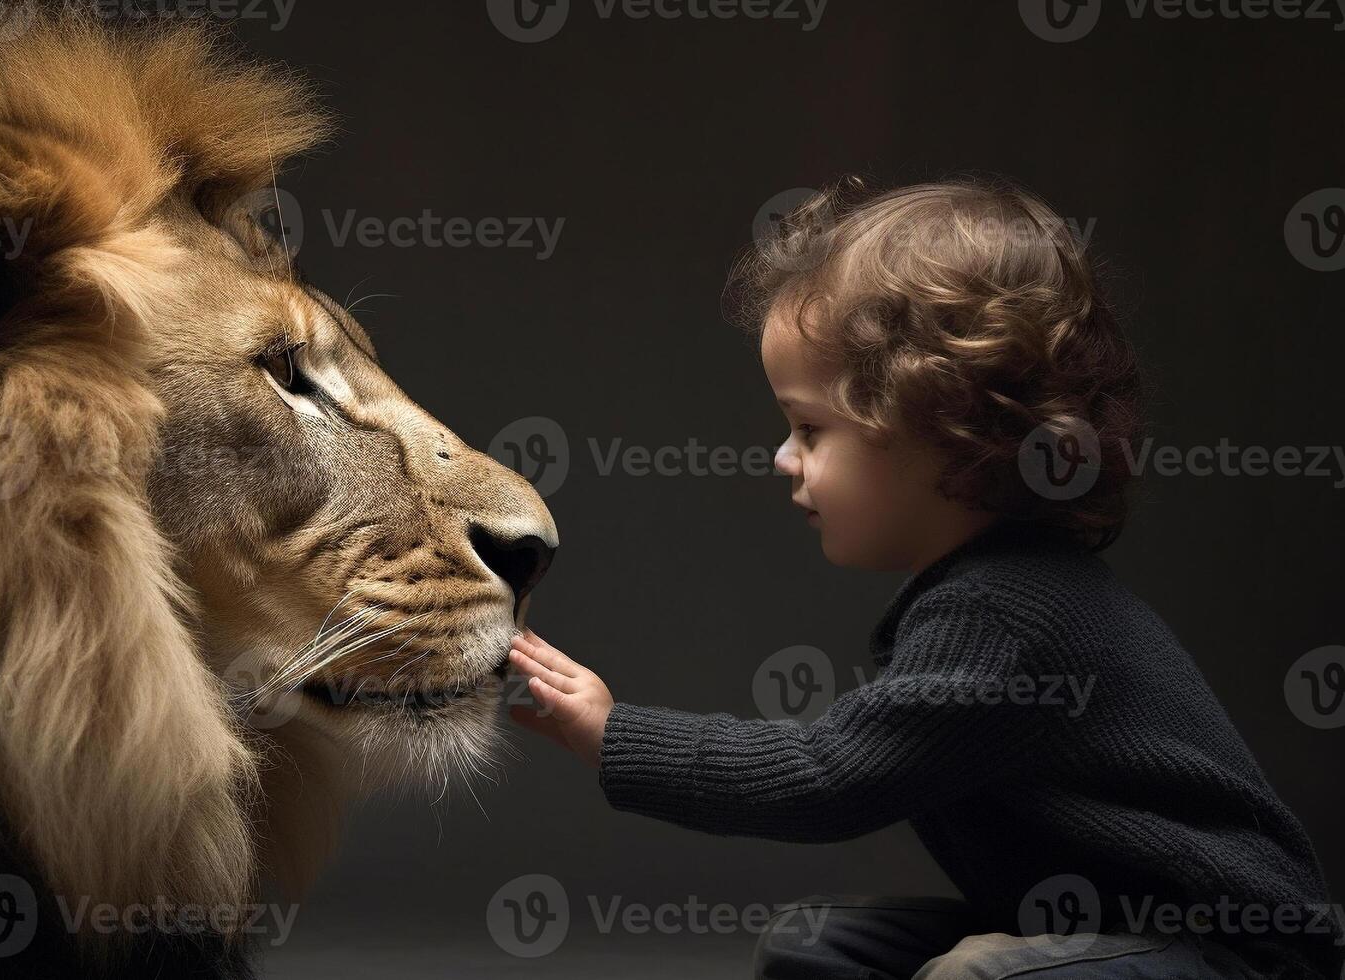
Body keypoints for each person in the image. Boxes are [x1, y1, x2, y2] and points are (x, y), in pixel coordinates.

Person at [506, 178, 1341, 979]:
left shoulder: (1009, 615)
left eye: (808, 428)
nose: (781, 457)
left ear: (946, 430)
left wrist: (613, 734)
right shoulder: (980, 590)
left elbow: (827, 780)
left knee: (983, 974)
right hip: (1084, 931)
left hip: (1234, 955)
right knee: (818, 945)